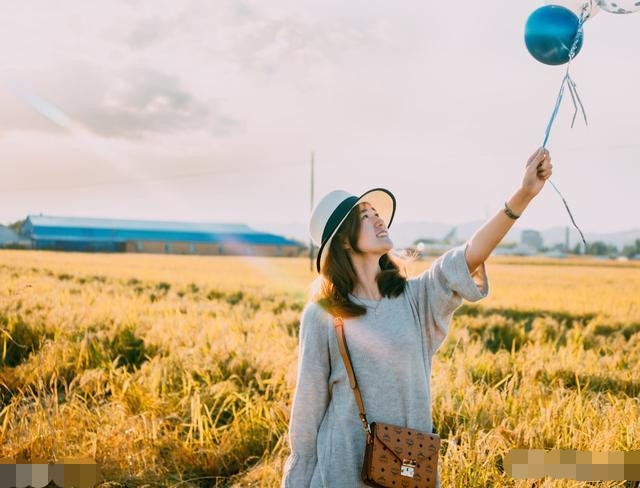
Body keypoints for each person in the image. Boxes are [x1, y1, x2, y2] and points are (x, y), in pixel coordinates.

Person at [281, 148, 553, 487]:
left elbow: (468, 256)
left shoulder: (415, 298)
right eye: (365, 216)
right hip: (342, 474)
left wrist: (524, 194)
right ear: (344, 243)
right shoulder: (323, 316)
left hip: (409, 471)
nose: (379, 219)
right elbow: (306, 417)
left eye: (376, 212)